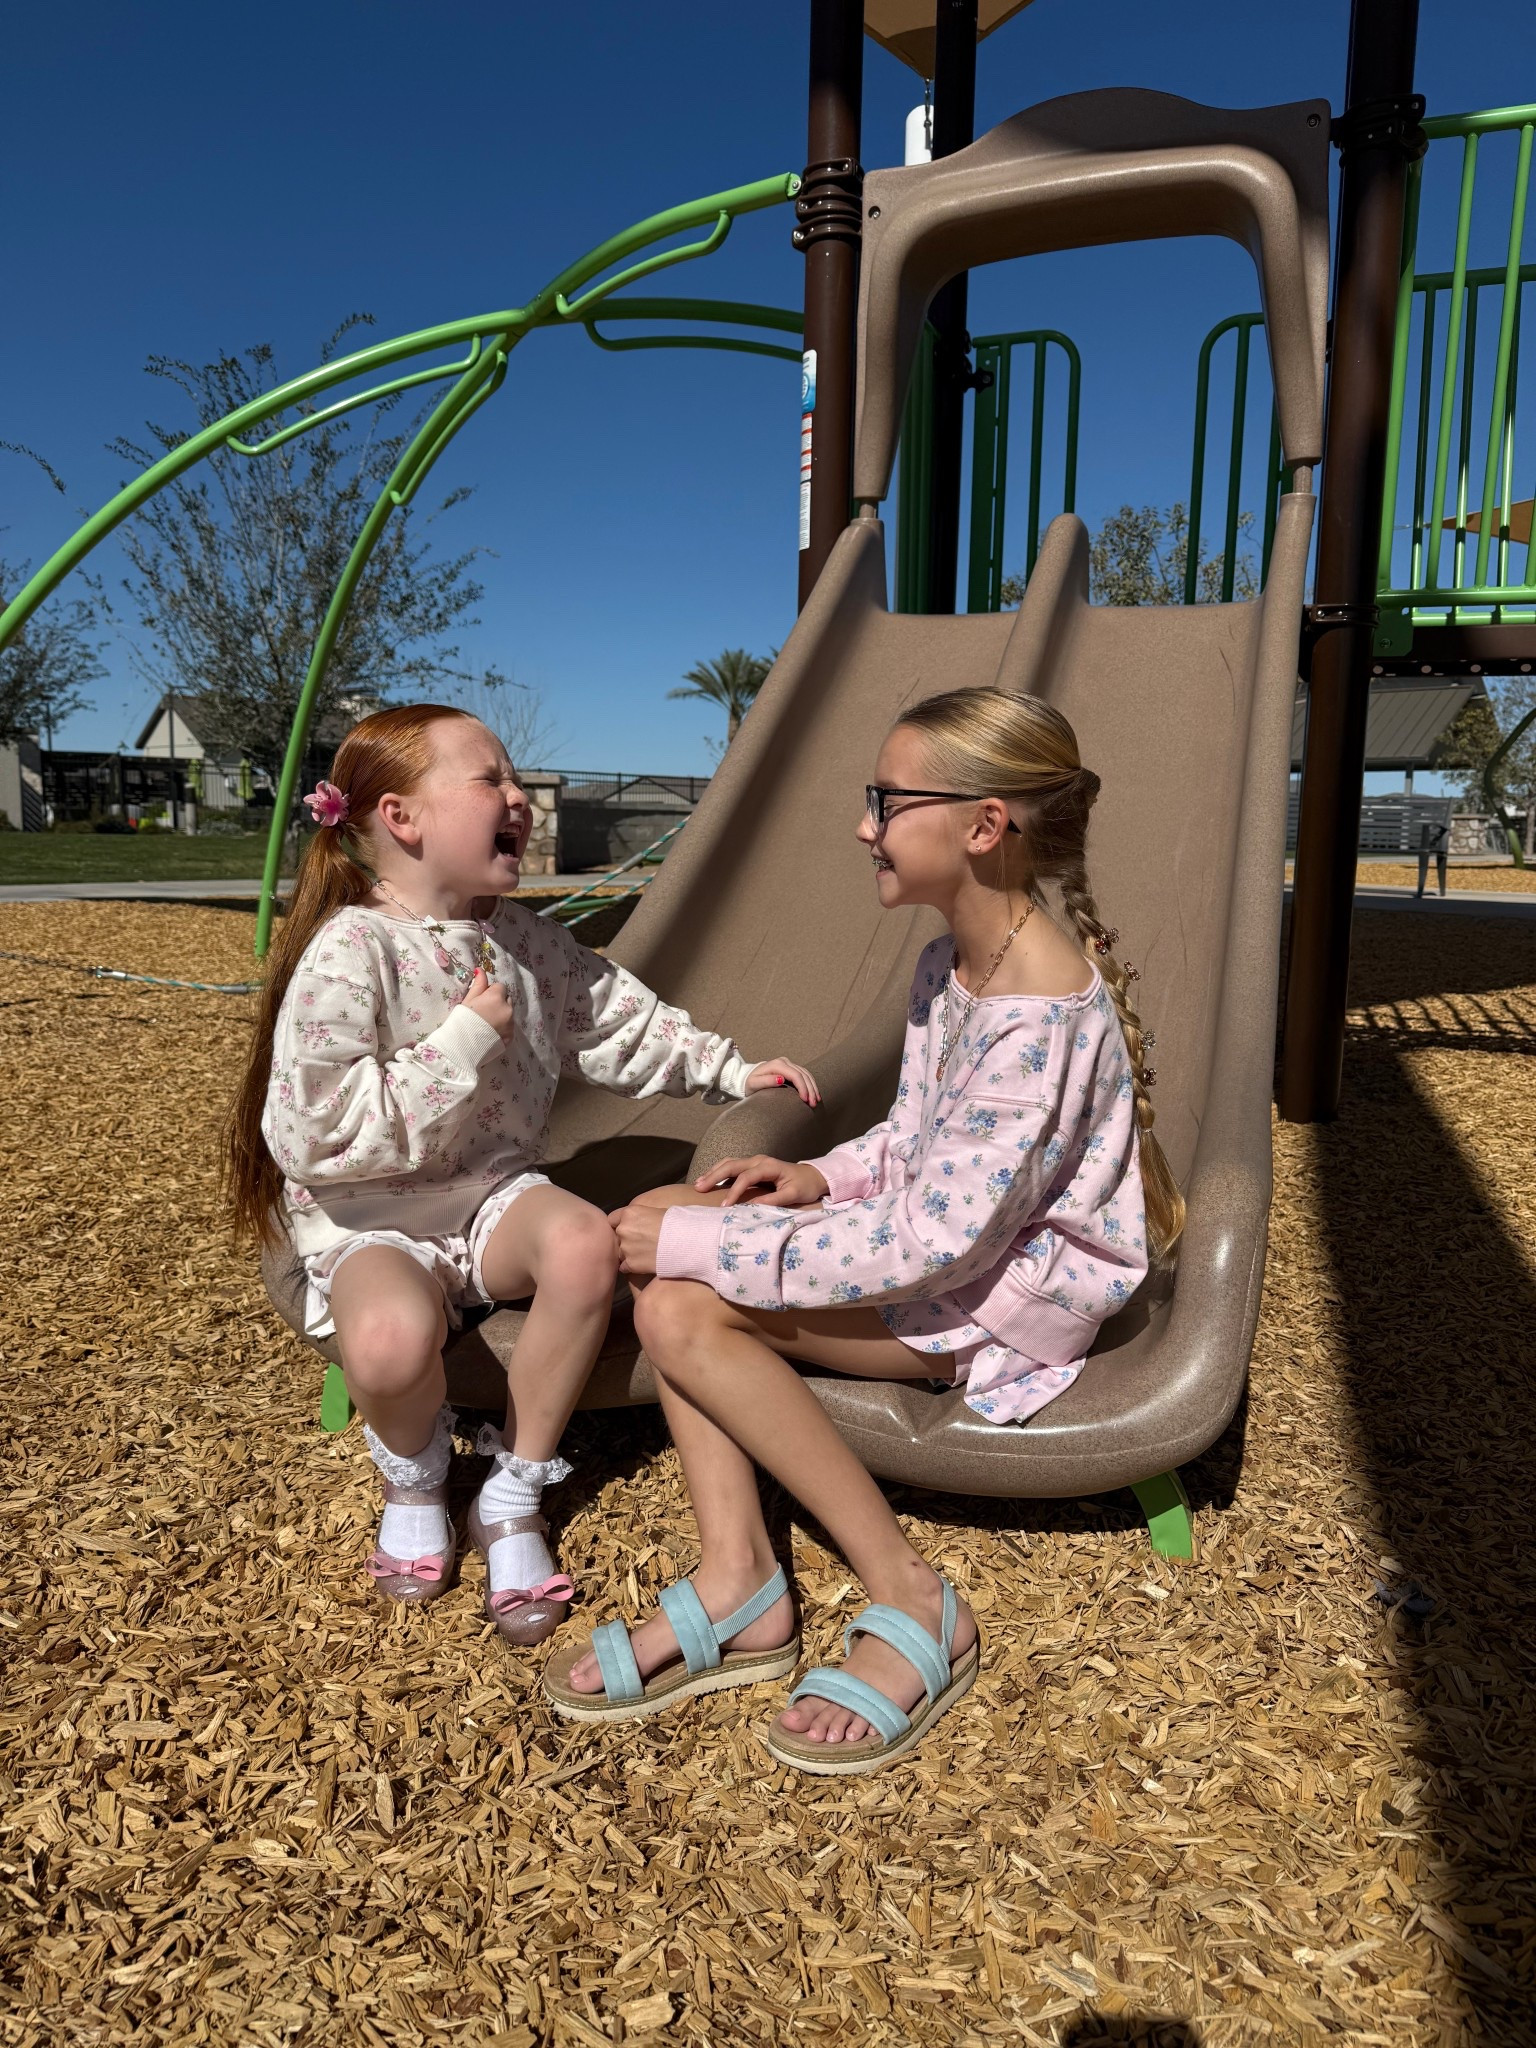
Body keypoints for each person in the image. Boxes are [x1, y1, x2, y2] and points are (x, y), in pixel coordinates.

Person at [544, 687, 1182, 1773]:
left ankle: (912, 1597)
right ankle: (738, 1577)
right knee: (676, 1224)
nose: (863, 824)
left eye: (886, 800)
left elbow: (936, 1245)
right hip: (949, 1255)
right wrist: (811, 1174)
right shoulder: (955, 961)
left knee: (680, 1294)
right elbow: (915, 1134)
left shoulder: (1036, 1012)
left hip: (994, 1303)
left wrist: (702, 1246)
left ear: (983, 825)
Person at [226, 703, 816, 1645]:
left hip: (490, 1195)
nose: (519, 798)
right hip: (372, 1211)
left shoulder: (525, 941)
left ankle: (514, 1487)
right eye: (490, 781)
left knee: (584, 1240)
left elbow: (617, 1020)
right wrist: (463, 1040)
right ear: (400, 819)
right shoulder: (351, 951)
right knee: (385, 1337)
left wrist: (728, 1071)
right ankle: (415, 1475)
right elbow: (316, 1134)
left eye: (516, 781)